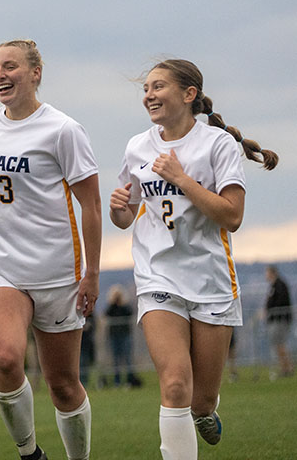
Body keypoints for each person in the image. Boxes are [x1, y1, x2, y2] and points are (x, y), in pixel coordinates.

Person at [109, 58, 278, 459]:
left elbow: (232, 216)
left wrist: (181, 178)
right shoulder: (138, 146)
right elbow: (126, 216)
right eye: (146, 88)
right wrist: (119, 208)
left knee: (200, 401)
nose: (149, 95)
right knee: (173, 385)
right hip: (158, 277)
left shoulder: (216, 145)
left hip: (210, 281)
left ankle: (205, 412)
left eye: (158, 87)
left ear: (188, 95)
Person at [0, 40, 101, 460]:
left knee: (62, 383)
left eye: (10, 66)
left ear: (35, 73)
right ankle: (30, 453)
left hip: (57, 272)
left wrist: (92, 273)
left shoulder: (63, 130)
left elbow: (91, 206)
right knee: (7, 360)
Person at [105, 285, 141, 388]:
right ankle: (117, 380)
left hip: (125, 335)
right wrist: (112, 303)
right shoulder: (111, 308)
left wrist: (122, 302)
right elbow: (107, 313)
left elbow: (130, 312)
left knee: (128, 358)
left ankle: (130, 379)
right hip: (114, 336)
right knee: (116, 359)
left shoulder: (125, 307)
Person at [265, 265, 293, 378]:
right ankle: (285, 367)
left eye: (267, 273)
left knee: (280, 343)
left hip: (280, 319)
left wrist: (271, 309)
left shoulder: (279, 285)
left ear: (272, 273)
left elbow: (280, 301)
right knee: (278, 344)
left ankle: (287, 368)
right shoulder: (274, 285)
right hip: (276, 319)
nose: (265, 275)